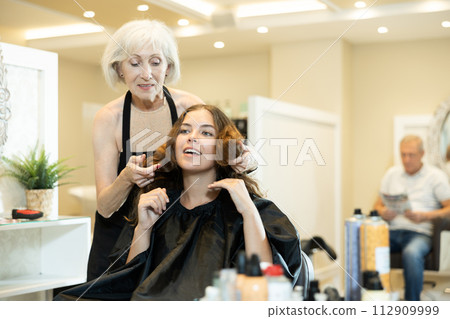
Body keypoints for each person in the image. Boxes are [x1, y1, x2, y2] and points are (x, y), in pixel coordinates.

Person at [55, 104, 302, 301]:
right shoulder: (157, 202)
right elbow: (128, 279)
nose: (191, 138)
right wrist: (144, 227)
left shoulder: (246, 208)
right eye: (185, 131)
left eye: (205, 132)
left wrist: (248, 210)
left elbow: (265, 282)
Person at [88, 20, 253, 281]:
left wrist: (238, 158)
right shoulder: (109, 118)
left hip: (173, 236)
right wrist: (127, 178)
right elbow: (105, 207)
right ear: (119, 68)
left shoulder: (190, 105)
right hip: (118, 238)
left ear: (168, 67)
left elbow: (225, 153)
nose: (146, 74)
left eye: (155, 62)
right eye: (134, 63)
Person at [374, 135, 450, 301]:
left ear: (422, 154)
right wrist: (383, 212)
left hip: (419, 232)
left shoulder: (436, 176)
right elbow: (376, 206)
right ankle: (373, 298)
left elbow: (449, 208)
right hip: (392, 231)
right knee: (368, 245)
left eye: (411, 155)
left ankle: (412, 306)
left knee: (412, 253)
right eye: (403, 155)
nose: (406, 160)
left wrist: (425, 216)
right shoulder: (391, 174)